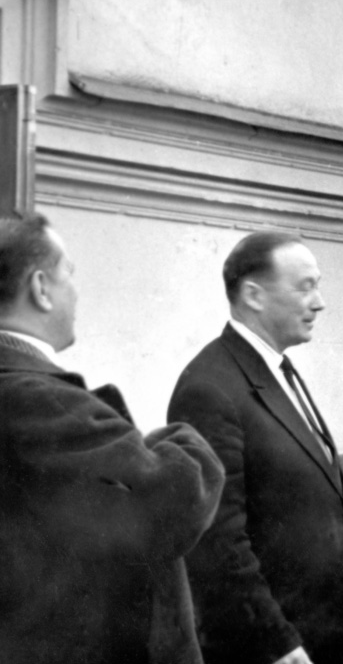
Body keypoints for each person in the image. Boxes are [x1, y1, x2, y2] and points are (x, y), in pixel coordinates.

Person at [0, 214, 225, 664]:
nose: (76, 291)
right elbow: (175, 500)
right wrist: (178, 438)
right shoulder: (36, 397)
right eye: (68, 273)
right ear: (41, 288)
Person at [167, 232, 343, 664]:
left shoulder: (276, 368)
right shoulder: (210, 388)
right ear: (253, 295)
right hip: (272, 651)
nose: (319, 303)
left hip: (317, 639)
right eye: (304, 287)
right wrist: (276, 643)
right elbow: (218, 540)